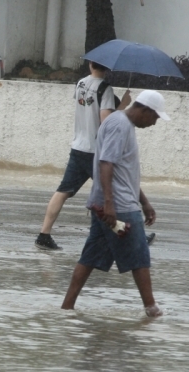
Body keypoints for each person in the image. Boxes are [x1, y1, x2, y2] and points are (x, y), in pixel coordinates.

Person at [60, 90, 170, 317]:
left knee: (89, 258)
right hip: (119, 206)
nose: (154, 123)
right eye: (155, 117)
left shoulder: (119, 122)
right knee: (140, 257)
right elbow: (106, 164)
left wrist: (145, 202)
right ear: (145, 111)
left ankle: (67, 307)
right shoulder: (120, 126)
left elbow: (124, 173)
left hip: (111, 203)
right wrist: (110, 204)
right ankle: (152, 309)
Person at [35, 61, 135, 251]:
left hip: (78, 147)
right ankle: (133, 234)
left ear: (91, 64)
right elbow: (106, 122)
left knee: (63, 191)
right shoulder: (105, 89)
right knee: (116, 191)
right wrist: (123, 104)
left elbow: (85, 107)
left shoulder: (80, 83)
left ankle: (44, 234)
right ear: (107, 68)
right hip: (95, 150)